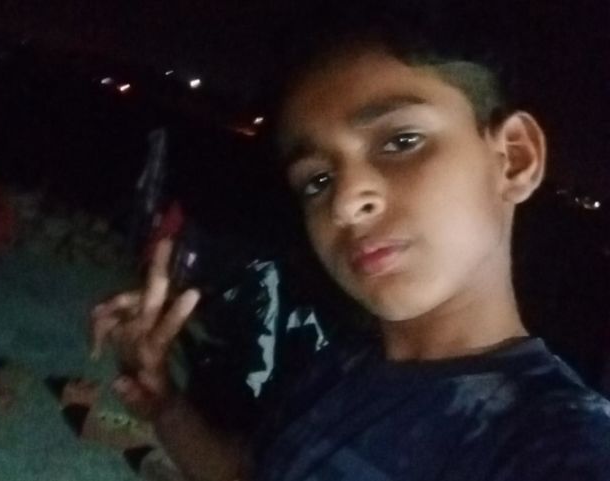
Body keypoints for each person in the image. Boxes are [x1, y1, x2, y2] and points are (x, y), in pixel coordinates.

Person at [89, 2, 610, 480]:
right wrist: (164, 402)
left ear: (514, 158)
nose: (343, 203)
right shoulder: (336, 365)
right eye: (317, 180)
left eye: (401, 141)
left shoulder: (555, 437)